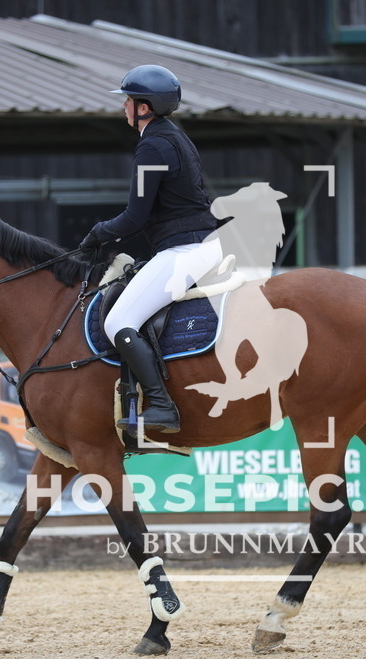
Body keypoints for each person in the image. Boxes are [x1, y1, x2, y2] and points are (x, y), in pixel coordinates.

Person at [77, 65, 224, 434]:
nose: (124, 105)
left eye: (128, 99)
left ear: (144, 107)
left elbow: (134, 218)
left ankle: (160, 405)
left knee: (117, 322)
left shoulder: (153, 146)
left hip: (184, 251)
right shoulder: (174, 137)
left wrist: (97, 233)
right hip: (197, 244)